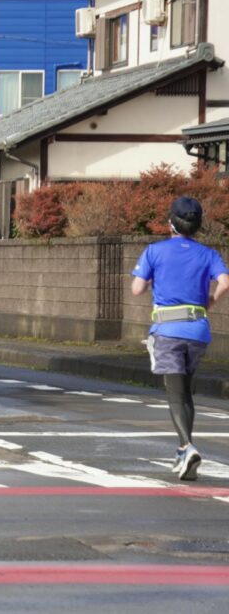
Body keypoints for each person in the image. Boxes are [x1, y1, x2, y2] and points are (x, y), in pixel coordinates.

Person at [131, 196, 229, 481]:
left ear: (170, 222)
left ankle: (187, 447)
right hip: (198, 329)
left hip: (168, 330)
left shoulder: (154, 251)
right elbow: (225, 282)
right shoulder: (208, 254)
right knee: (186, 391)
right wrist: (211, 300)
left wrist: (151, 281)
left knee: (174, 393)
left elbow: (137, 289)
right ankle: (183, 451)